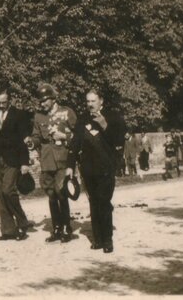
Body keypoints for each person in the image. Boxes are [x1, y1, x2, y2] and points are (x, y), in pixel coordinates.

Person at [67, 89, 126, 253]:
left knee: (104, 202)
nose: (90, 104)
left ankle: (108, 240)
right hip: (88, 169)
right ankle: (98, 239)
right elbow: (75, 144)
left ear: (101, 101)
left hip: (106, 168)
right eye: (87, 101)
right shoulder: (82, 119)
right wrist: (69, 166)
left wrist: (104, 125)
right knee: (94, 202)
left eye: (93, 101)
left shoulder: (113, 117)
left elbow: (119, 141)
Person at [27, 83, 77, 243]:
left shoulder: (67, 112)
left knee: (61, 192)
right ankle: (56, 228)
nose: (42, 104)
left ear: (53, 98)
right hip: (47, 160)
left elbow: (78, 136)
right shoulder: (38, 116)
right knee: (51, 194)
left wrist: (64, 136)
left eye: (44, 101)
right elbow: (36, 136)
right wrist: (31, 143)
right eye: (40, 101)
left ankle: (66, 228)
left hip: (63, 158)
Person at [0, 86, 31, 241]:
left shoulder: (19, 115)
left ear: (10, 100)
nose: (1, 105)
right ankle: (8, 230)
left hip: (12, 160)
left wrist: (24, 162)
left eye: (4, 102)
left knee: (8, 190)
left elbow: (24, 140)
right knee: (0, 195)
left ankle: (22, 222)